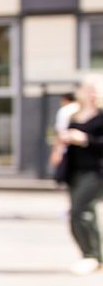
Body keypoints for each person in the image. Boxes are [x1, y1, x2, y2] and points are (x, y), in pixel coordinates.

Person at [53, 76, 103, 275]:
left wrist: (84, 140)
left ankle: (92, 255)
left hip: (96, 171)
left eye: (96, 89)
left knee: (80, 211)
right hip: (74, 171)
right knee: (81, 213)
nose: (92, 93)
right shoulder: (74, 115)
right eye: (89, 89)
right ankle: (93, 256)